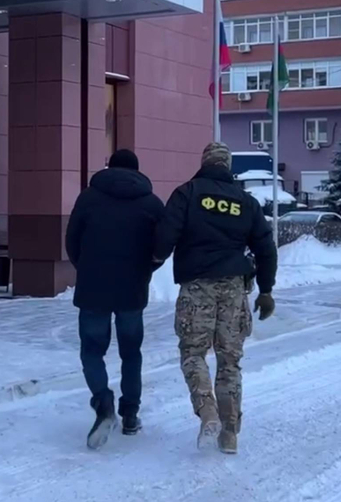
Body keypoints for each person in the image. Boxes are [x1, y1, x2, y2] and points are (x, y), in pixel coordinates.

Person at [153, 142, 278, 455]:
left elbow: (164, 237)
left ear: (204, 162)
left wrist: (153, 258)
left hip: (197, 287)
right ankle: (230, 432)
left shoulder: (188, 193)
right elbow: (266, 248)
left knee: (193, 353)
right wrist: (265, 290)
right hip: (234, 288)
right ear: (228, 166)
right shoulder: (246, 202)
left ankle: (207, 410)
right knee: (229, 359)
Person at [65, 149, 165, 449]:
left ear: (109, 167)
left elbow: (71, 240)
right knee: (131, 353)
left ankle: (103, 402)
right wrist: (145, 270)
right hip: (132, 290)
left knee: (92, 351)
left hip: (93, 287)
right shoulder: (151, 203)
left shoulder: (88, 198)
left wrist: (85, 267)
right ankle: (130, 415)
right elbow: (161, 246)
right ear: (137, 171)